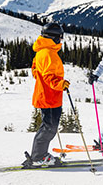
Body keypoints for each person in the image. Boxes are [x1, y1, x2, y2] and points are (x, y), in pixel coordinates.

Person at [24, 22, 70, 167]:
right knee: (49, 128)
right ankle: (38, 157)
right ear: (55, 37)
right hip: (49, 97)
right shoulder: (47, 53)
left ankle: (39, 155)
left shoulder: (43, 52)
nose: (61, 40)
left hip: (49, 96)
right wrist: (60, 84)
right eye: (60, 37)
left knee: (49, 127)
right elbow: (49, 77)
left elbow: (35, 70)